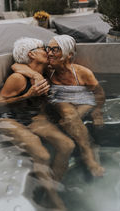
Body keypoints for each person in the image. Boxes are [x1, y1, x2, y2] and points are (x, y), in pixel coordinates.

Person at [0, 37, 75, 211]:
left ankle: (48, 191)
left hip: (34, 117)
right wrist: (27, 95)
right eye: (43, 48)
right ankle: (55, 202)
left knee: (67, 145)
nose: (47, 51)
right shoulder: (18, 78)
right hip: (9, 119)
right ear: (31, 54)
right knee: (42, 154)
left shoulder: (44, 73)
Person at [12, 35, 105, 177]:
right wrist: (35, 75)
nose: (49, 53)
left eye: (55, 49)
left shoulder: (83, 73)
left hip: (84, 100)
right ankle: (88, 154)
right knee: (69, 115)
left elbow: (99, 93)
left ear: (69, 54)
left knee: (71, 119)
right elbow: (16, 65)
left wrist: (98, 112)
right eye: (49, 48)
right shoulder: (48, 69)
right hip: (59, 98)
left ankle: (88, 148)